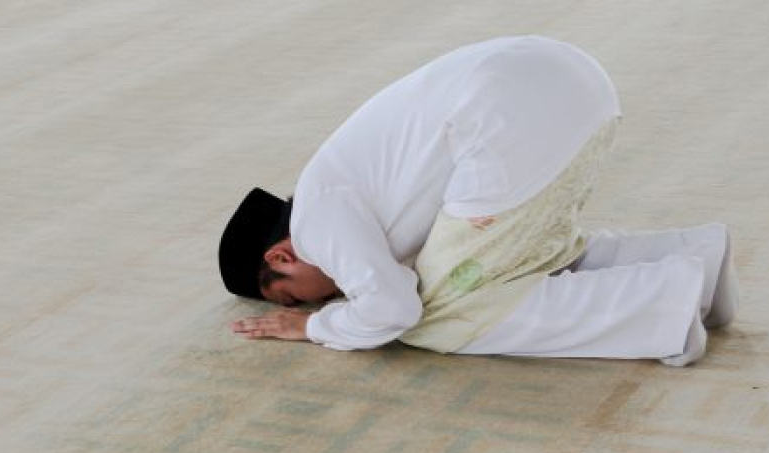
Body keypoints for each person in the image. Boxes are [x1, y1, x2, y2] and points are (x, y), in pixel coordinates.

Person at [218, 35, 739, 366]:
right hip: (575, 89)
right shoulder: (340, 185)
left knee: (444, 313)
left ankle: (665, 301)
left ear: (281, 257)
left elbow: (394, 308)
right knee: (506, 263)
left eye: (295, 298)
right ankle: (701, 259)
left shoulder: (316, 223)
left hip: (508, 121)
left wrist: (316, 327)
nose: (323, 300)